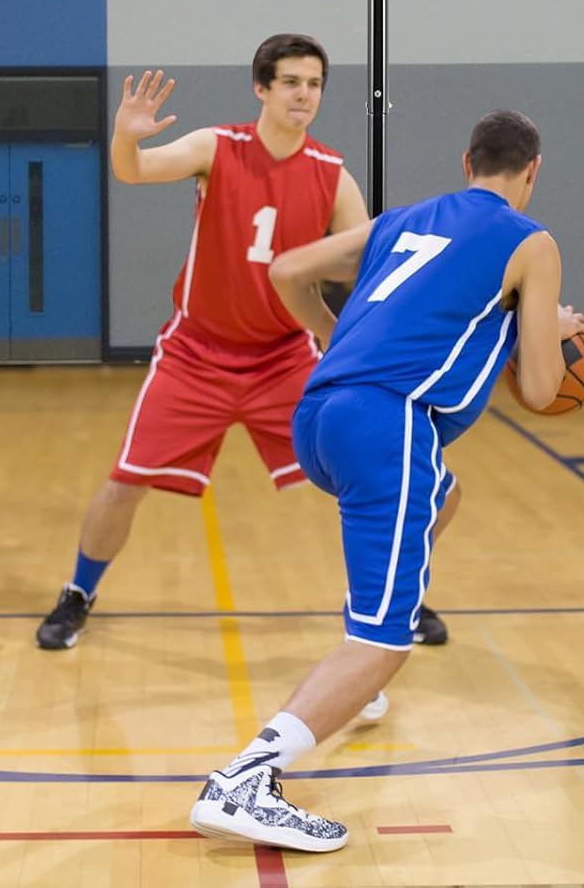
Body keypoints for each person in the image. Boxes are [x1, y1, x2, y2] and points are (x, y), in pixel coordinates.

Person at [189, 108, 584, 853]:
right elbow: (541, 390)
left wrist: (331, 335)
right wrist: (548, 330)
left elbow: (286, 271)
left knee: (445, 493)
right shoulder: (532, 243)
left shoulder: (401, 221)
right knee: (387, 640)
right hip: (387, 426)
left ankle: (354, 671)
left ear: (466, 163)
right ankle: (246, 780)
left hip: (319, 414)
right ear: (532, 172)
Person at [38, 33, 451, 651]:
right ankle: (78, 593)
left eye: (314, 84)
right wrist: (126, 136)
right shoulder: (217, 147)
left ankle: (396, 594)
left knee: (385, 476)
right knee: (126, 481)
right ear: (261, 87)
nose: (304, 95)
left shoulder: (333, 177)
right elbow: (134, 169)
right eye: (291, 82)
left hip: (284, 359)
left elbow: (368, 269)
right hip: (195, 354)